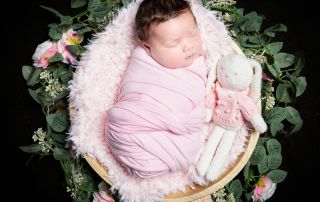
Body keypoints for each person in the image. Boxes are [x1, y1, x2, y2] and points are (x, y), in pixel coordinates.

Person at [106, 0, 207, 178]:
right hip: (131, 127)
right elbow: (133, 95)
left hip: (171, 133)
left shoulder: (200, 63)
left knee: (189, 146)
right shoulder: (141, 61)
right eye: (173, 43)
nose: (188, 46)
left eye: (192, 34)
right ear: (147, 47)